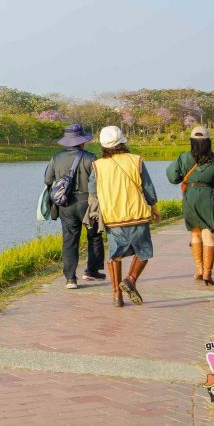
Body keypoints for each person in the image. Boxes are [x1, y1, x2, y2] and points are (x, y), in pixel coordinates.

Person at [86, 126, 159, 307]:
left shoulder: (97, 166)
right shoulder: (136, 160)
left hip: (113, 217)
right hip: (137, 214)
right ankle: (131, 280)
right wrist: (154, 207)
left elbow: (92, 191)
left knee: (115, 255)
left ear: (104, 145)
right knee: (143, 252)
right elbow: (148, 187)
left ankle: (117, 296)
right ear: (122, 142)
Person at [167, 126, 214, 285]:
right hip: (209, 198)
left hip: (190, 198)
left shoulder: (183, 157)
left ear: (192, 142)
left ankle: (199, 269)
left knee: (195, 234)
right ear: (208, 142)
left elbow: (172, 176)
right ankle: (207, 274)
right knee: (208, 235)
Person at [44, 124, 104, 289]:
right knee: (94, 236)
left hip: (66, 204)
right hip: (88, 202)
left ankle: (70, 278)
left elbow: (48, 180)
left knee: (69, 239)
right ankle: (91, 270)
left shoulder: (56, 158)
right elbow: (99, 182)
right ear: (82, 142)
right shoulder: (91, 158)